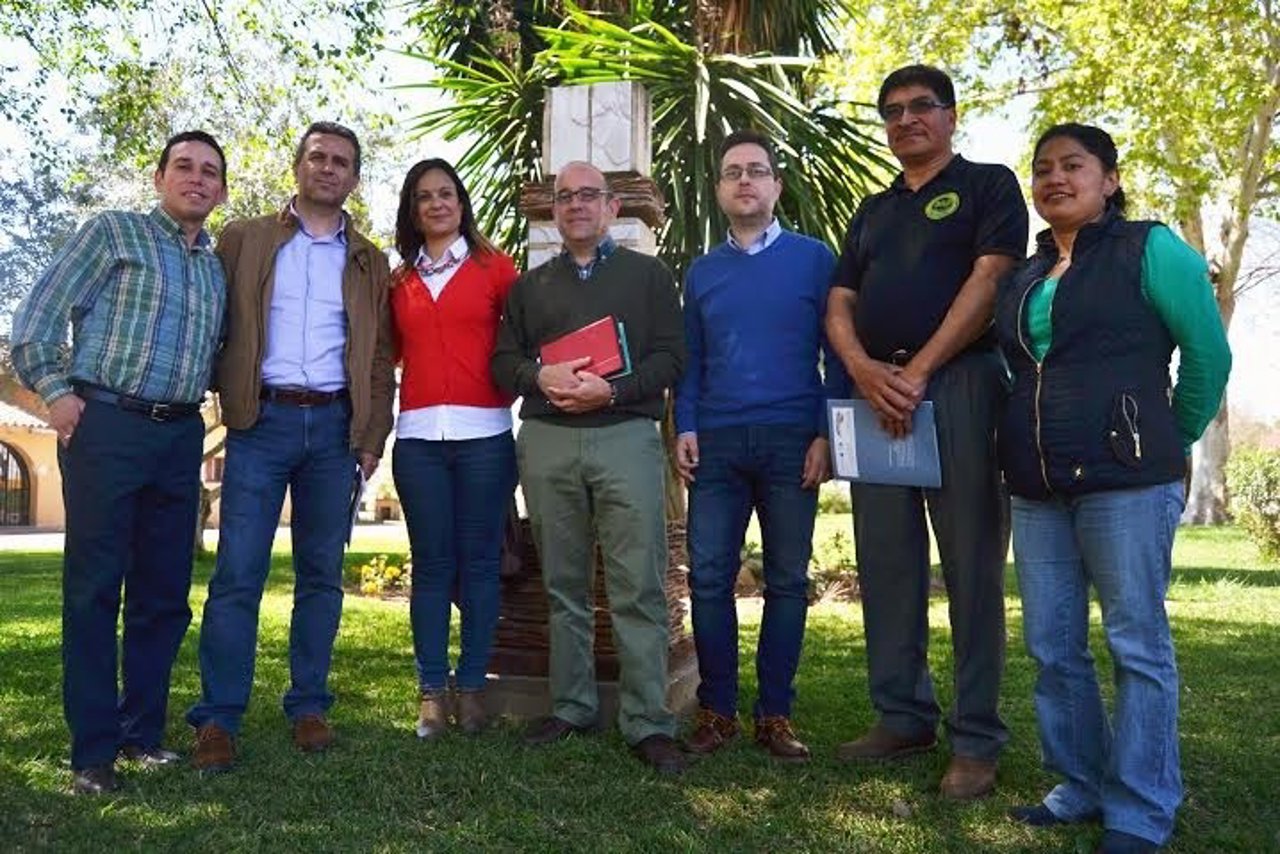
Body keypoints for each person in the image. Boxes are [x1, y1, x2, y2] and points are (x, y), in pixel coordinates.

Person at [996, 124, 1230, 854]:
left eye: (1073, 166)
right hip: (1037, 487)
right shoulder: (1028, 274)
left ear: (1110, 179)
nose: (1055, 179)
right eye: (1043, 169)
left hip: (1126, 484)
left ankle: (1141, 807)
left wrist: (1162, 438)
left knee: (1135, 644)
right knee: (1052, 645)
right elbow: (1019, 372)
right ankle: (1081, 783)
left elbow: (1207, 356)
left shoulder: (1150, 248)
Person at [824, 64, 1028, 799]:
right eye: (893, 111)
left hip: (962, 385)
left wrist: (921, 372)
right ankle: (902, 715)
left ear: (949, 115)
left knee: (972, 566)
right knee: (886, 563)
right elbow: (840, 299)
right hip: (876, 392)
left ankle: (975, 738)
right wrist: (864, 370)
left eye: (921, 107)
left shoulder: (989, 185)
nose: (906, 119)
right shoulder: (871, 210)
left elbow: (990, 278)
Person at [10, 131, 229, 794]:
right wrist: (57, 395)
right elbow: (38, 317)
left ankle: (142, 736)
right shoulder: (114, 234)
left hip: (178, 434)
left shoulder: (214, 269)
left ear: (220, 191)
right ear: (160, 176)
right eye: (184, 167)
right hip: (105, 425)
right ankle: (93, 754)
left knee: (163, 597)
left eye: (210, 173)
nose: (197, 179)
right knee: (95, 590)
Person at [187, 121, 395, 772]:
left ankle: (309, 705)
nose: (328, 168)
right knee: (236, 575)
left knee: (320, 577)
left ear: (354, 177)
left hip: (335, 432)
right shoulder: (245, 238)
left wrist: (370, 435)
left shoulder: (369, 258)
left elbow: (380, 355)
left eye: (341, 161)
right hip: (260, 423)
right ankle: (218, 719)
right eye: (317, 157)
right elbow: (213, 322)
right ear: (298, 166)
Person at [491, 160, 687, 775]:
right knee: (564, 586)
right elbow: (503, 362)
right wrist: (536, 376)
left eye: (588, 196)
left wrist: (616, 390)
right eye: (564, 196)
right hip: (548, 439)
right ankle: (572, 706)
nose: (576, 204)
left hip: (625, 435)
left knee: (639, 583)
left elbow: (671, 358)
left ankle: (649, 721)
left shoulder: (649, 277)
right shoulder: (530, 287)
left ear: (610, 208)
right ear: (553, 211)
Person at [674, 129, 843, 762]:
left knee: (788, 581)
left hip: (791, 441)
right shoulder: (702, 272)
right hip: (716, 443)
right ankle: (716, 710)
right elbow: (691, 361)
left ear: (775, 184)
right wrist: (685, 425)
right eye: (732, 172)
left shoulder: (815, 260)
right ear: (719, 191)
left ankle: (775, 714)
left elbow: (837, 354)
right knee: (711, 578)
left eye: (756, 170)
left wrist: (828, 433)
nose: (745, 180)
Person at [388, 158, 519, 738]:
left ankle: (472, 690)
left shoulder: (497, 270)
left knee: (482, 567)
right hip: (417, 441)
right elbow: (386, 354)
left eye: (446, 194)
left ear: (462, 203)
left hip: (486, 439)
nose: (437, 204)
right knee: (433, 568)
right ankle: (431, 694)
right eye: (424, 197)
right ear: (413, 212)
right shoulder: (398, 282)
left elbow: (521, 346)